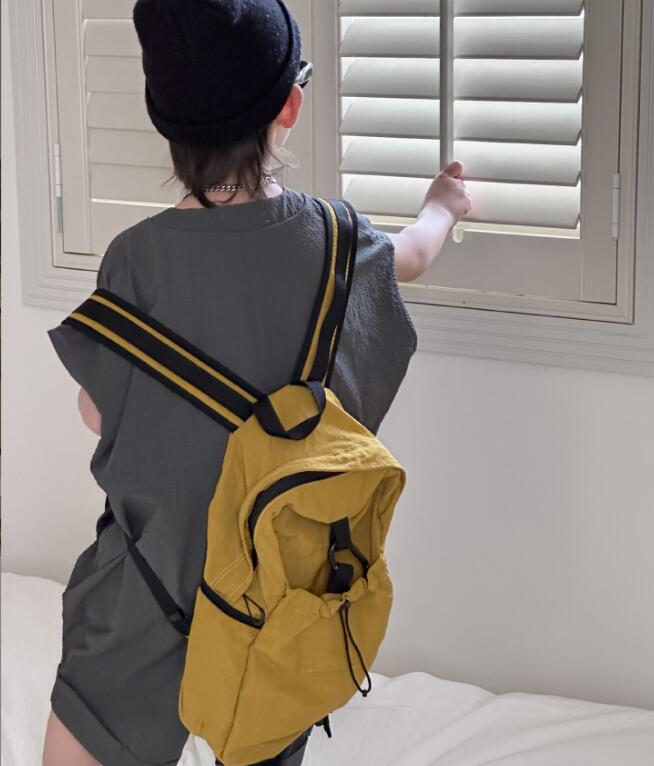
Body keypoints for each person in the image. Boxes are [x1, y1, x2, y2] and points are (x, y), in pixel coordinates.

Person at [41, 1, 472, 765]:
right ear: (290, 107)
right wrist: (442, 207)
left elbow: (96, 413)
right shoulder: (339, 242)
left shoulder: (135, 260)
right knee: (263, 731)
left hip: (146, 595)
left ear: (166, 126)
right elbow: (410, 253)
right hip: (274, 602)